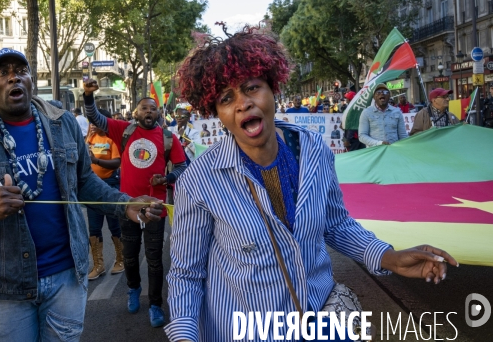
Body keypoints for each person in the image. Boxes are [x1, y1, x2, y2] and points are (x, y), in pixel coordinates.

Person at [165, 27, 456, 341]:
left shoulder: (315, 149)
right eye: (226, 98)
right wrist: (185, 334)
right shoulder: (199, 180)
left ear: (272, 88)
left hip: (321, 321)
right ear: (217, 112)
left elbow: (336, 223)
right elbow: (186, 274)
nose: (243, 104)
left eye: (252, 88)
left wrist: (390, 257)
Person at [0, 48, 163, 342]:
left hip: (67, 277)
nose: (14, 77)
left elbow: (84, 182)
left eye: (21, 70)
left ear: (29, 79)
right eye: (3, 73)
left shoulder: (62, 122)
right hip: (8, 285)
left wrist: (125, 204)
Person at [83, 80, 187, 328]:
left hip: (155, 208)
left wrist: (168, 177)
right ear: (136, 113)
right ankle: (132, 288)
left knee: (154, 259)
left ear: (158, 113)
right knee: (129, 257)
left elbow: (183, 166)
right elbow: (95, 117)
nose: (148, 111)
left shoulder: (168, 138)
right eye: (144, 108)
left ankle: (154, 304)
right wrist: (88, 95)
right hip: (127, 206)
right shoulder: (124, 131)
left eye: (153, 108)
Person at [85, 110, 124, 280]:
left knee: (114, 225)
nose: (93, 125)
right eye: (90, 122)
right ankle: (98, 265)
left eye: (95, 121)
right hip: (92, 187)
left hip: (110, 186)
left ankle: (120, 260)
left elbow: (117, 162)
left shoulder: (111, 138)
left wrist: (97, 161)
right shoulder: (90, 139)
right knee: (94, 228)